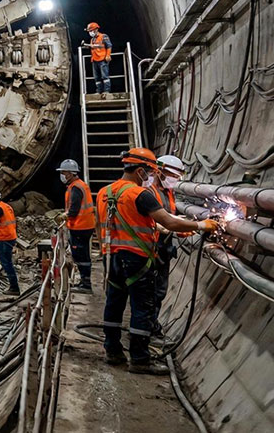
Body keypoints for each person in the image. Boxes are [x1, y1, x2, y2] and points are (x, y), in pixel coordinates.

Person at [96, 148, 218, 374]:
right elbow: (170, 222)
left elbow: (100, 226)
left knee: (114, 304)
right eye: (151, 172)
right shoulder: (140, 194)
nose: (151, 177)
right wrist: (202, 225)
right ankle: (140, 360)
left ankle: (112, 351)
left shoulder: (105, 192)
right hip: (137, 259)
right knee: (142, 307)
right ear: (140, 171)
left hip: (111, 257)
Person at [150, 155, 193, 339]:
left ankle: (151, 326)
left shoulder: (168, 192)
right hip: (151, 248)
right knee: (149, 292)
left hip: (164, 249)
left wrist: (182, 227)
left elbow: (170, 216)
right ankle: (146, 330)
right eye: (172, 175)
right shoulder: (148, 191)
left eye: (177, 176)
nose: (174, 180)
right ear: (159, 171)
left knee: (159, 291)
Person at [57, 159, 96, 293]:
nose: (62, 175)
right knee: (83, 254)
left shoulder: (75, 188)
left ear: (70, 173)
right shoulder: (80, 185)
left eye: (63, 172)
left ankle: (86, 284)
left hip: (80, 227)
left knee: (80, 255)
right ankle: (84, 282)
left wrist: (63, 216)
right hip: (85, 225)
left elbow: (74, 210)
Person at [85, 22, 113, 94]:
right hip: (94, 60)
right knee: (96, 77)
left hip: (102, 59)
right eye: (89, 31)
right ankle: (98, 90)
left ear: (96, 29)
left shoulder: (103, 36)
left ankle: (106, 90)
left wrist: (108, 55)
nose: (90, 32)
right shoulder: (92, 39)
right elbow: (93, 47)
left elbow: (109, 46)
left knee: (105, 76)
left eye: (91, 30)